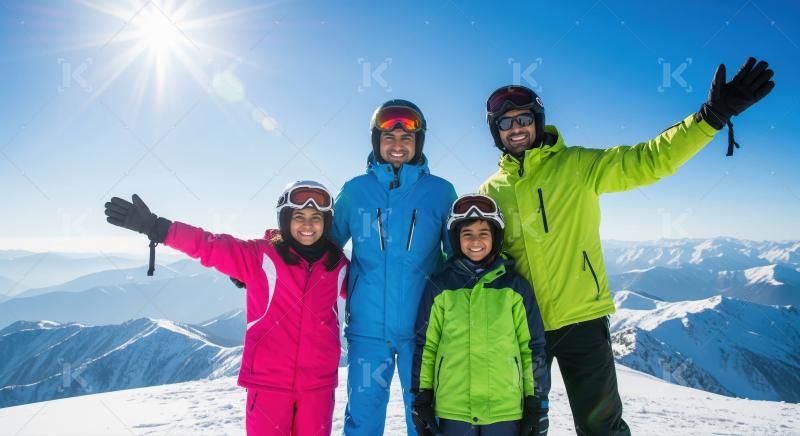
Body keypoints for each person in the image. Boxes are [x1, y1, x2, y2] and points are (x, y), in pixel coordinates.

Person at [478, 57, 775, 435]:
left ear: (537, 121)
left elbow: (648, 160)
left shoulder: (577, 165)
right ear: (496, 132)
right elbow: (483, 258)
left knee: (600, 427)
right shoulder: (491, 192)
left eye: (523, 119)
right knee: (518, 425)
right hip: (524, 325)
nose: (516, 128)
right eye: (505, 123)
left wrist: (710, 118)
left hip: (583, 321)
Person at [104, 181, 349, 436]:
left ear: (326, 222)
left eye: (316, 218)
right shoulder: (259, 256)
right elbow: (207, 244)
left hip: (319, 390)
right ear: (285, 220)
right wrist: (157, 227)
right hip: (268, 387)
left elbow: (367, 290)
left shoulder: (338, 265)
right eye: (299, 217)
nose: (308, 225)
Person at [331, 99, 457, 435]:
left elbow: (459, 258)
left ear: (419, 142)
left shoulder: (440, 192)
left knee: (425, 420)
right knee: (362, 419)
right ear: (377, 141)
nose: (397, 145)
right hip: (368, 331)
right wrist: (273, 251)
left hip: (424, 330)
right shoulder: (356, 191)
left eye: (407, 138)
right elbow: (322, 245)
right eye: (389, 137)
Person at [411, 194, 550, 436]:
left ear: (495, 237)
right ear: (456, 239)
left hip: (504, 409)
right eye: (467, 234)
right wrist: (422, 398)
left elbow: (532, 348)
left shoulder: (515, 288)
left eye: (483, 233)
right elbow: (426, 346)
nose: (476, 241)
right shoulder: (440, 287)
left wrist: (536, 404)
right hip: (454, 409)